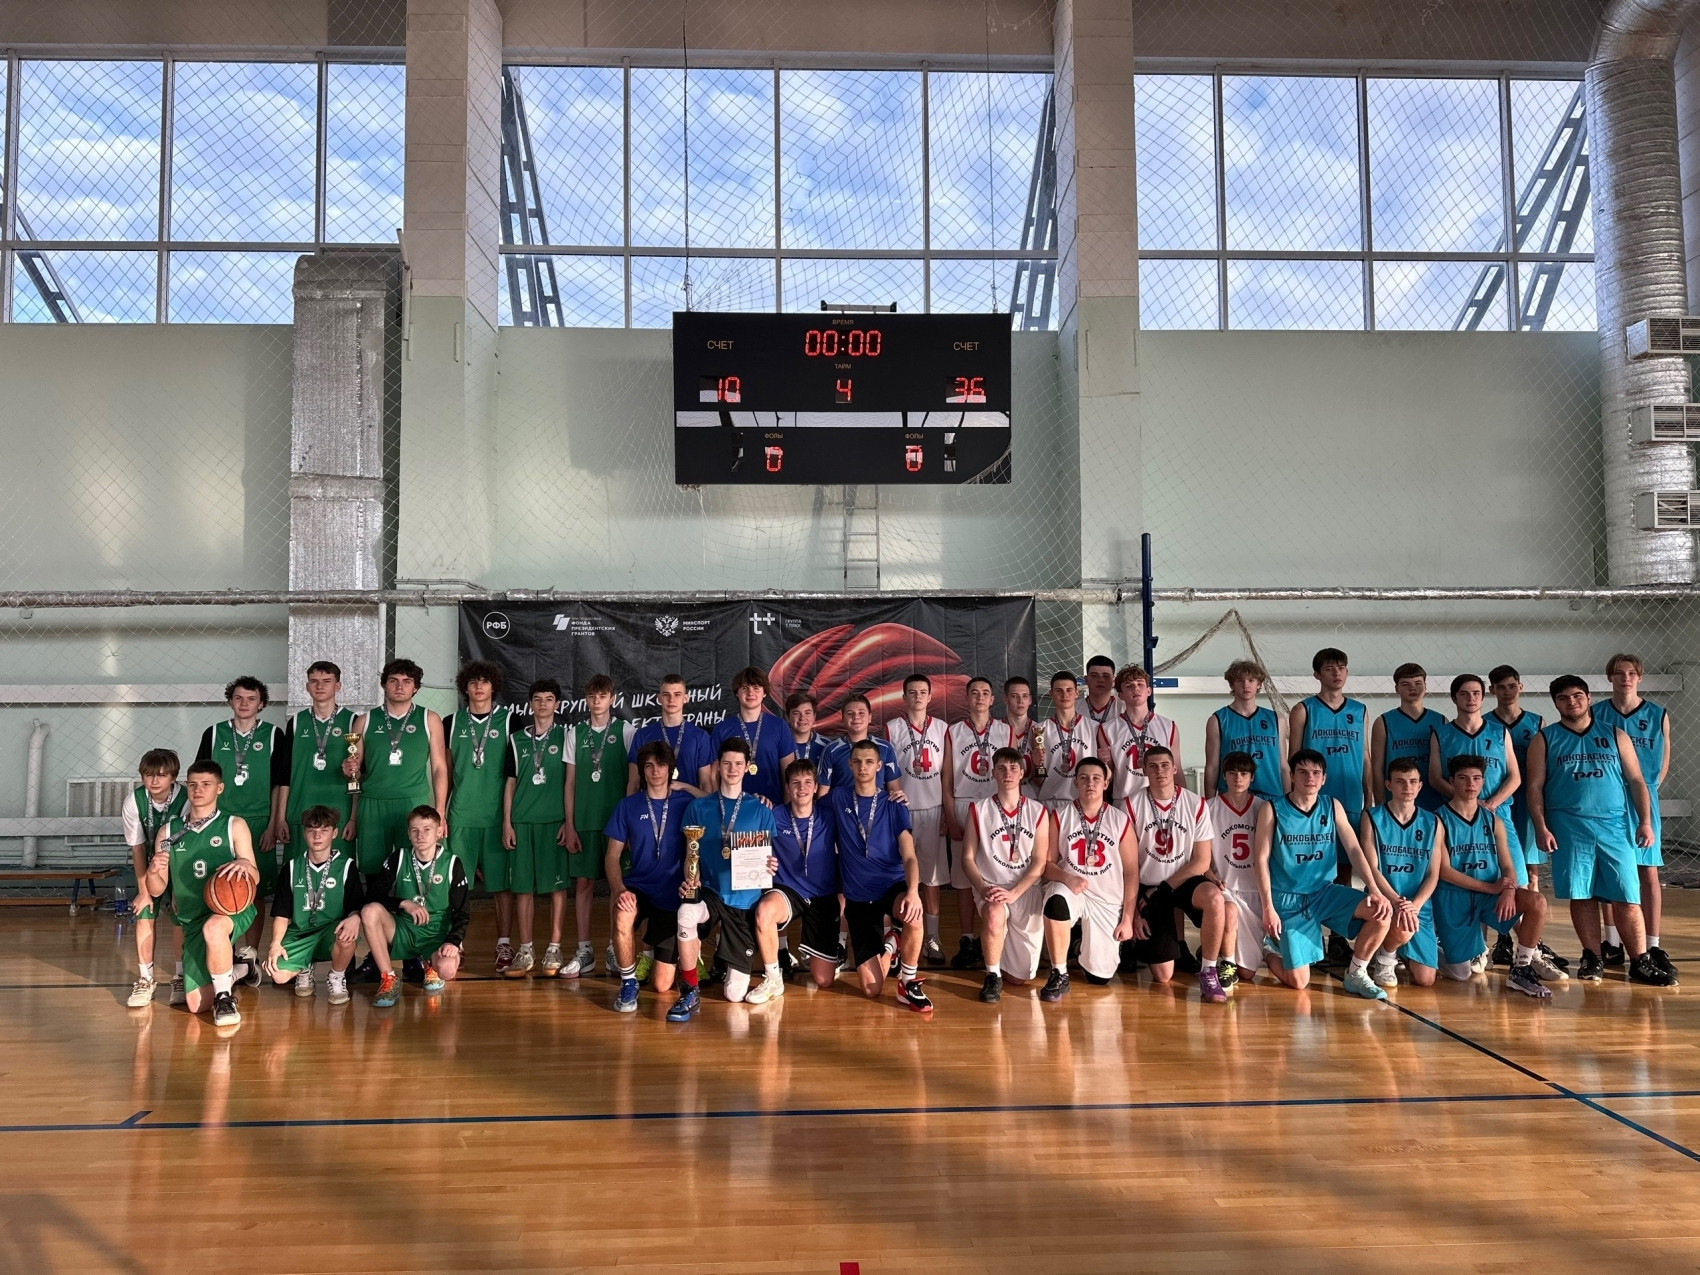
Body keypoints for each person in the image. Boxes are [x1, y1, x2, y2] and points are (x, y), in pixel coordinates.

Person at [1527, 675, 1675, 985]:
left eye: (1577, 696)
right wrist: (1541, 827)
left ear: (1588, 698)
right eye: (1563, 698)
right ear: (1555, 703)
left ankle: (1640, 960)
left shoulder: (1615, 734)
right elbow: (1535, 786)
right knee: (1581, 894)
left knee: (1627, 894)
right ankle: (1592, 957)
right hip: (1569, 826)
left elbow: (1637, 781)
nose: (1571, 702)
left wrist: (1645, 821)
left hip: (1614, 826)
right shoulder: (1545, 739)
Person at [1251, 749, 1392, 999]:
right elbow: (1260, 860)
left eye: (1316, 773)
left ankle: (1356, 973)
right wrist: (1268, 907)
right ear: (1292, 776)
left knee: (1381, 912)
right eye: (1303, 772)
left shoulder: (1332, 805)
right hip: (1288, 898)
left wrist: (1374, 889)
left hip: (1324, 892)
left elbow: (1354, 849)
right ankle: (1269, 949)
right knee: (1299, 982)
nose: (1310, 778)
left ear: (1324, 778)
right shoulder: (1272, 808)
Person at [141, 759, 262, 1028]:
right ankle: (242, 967)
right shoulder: (169, 832)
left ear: (219, 788)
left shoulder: (234, 825)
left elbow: (255, 876)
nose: (198, 790)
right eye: (193, 784)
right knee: (196, 1005)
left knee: (214, 927)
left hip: (231, 909)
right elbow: (156, 889)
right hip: (192, 918)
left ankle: (224, 999)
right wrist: (152, 872)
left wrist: (245, 865)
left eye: (206, 784)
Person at [670, 739, 780, 1021]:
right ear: (718, 766)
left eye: (738, 764)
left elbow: (766, 857)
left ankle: (726, 961)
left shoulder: (761, 810)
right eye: (727, 763)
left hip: (745, 903)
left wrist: (770, 865)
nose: (732, 769)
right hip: (712, 893)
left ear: (747, 767)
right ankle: (690, 989)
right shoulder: (699, 807)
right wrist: (690, 880)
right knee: (685, 913)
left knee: (733, 994)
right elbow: (691, 855)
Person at [1433, 755, 1560, 995]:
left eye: (1476, 778)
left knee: (1537, 902)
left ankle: (1521, 969)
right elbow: (1444, 871)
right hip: (1454, 898)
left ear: (1483, 781)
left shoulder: (1493, 820)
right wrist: (1492, 888)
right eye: (1463, 778)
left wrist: (1509, 890)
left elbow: (1508, 865)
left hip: (1487, 896)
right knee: (1461, 974)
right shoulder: (1437, 819)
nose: (1471, 784)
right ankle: (1426, 949)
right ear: (1451, 781)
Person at [825, 738, 933, 1013]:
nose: (863, 767)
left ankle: (907, 982)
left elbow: (909, 856)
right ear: (850, 765)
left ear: (879, 766)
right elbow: (802, 806)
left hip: (890, 887)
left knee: (914, 914)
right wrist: (766, 804)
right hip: (858, 898)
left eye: (869, 761)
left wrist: (913, 892)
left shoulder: (895, 803)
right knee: (871, 990)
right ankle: (892, 945)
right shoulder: (837, 798)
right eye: (857, 762)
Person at [1431, 673, 1526, 967]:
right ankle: (1478, 950)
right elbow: (1435, 777)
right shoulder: (1442, 733)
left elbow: (1515, 776)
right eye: (1464, 693)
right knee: (1473, 881)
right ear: (1454, 698)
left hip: (1498, 816)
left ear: (1484, 697)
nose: (1470, 698)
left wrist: (1491, 804)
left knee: (1516, 883)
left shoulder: (1499, 732)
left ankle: (1528, 953)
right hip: (1459, 817)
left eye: (1475, 693)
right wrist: (1468, 801)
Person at [1594, 653, 1676, 977]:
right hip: (1609, 798)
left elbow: (1663, 761)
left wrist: (1645, 793)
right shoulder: (1597, 713)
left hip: (1643, 797)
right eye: (1618, 673)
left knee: (1648, 872)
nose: (1625, 678)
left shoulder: (1657, 714)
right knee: (1610, 871)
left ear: (1639, 677)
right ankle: (1612, 942)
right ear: (1610, 677)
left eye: (1631, 673)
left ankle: (1652, 945)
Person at [1290, 648, 1373, 967]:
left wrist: (1370, 797)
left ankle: (1338, 938)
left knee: (1344, 871)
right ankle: (1311, 935)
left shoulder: (1360, 710)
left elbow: (1365, 756)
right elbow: (1293, 758)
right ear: (1317, 674)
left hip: (1349, 800)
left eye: (1341, 668)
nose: (1337, 673)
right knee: (1312, 869)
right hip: (1312, 803)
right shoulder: (1303, 710)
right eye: (1329, 668)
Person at [1127, 746, 1229, 1003]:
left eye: (1165, 765)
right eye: (1153, 766)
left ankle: (1209, 971)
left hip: (1183, 880)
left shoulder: (1195, 804)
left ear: (1174, 768)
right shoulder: (1130, 805)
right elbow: (1127, 865)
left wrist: (1161, 890)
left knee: (1215, 898)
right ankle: (1139, 944)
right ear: (1143, 770)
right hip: (1148, 883)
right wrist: (1135, 911)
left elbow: (1202, 860)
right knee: (1163, 976)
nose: (1160, 771)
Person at [196, 675, 286, 957]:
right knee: (218, 887)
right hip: (220, 822)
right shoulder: (213, 733)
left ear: (261, 704)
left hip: (258, 821)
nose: (244, 704)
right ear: (230, 701)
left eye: (251, 699)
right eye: (239, 698)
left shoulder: (274, 735)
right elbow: (201, 780)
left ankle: (251, 954)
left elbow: (279, 783)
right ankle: (224, 950)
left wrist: (273, 824)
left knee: (252, 891)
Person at [604, 741, 695, 1013]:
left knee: (661, 985)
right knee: (623, 912)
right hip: (639, 886)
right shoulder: (628, 805)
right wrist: (620, 889)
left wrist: (687, 787)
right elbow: (612, 856)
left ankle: (674, 957)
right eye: (649, 766)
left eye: (661, 765)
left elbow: (717, 800)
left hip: (673, 893)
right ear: (642, 771)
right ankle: (628, 982)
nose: (655, 771)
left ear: (670, 769)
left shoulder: (686, 803)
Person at [1037, 757, 1134, 1002]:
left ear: (1106, 784)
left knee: (1099, 978)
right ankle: (1059, 973)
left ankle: (1078, 944)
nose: (1090, 783)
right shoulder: (1060, 816)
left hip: (1106, 899)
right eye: (1084, 778)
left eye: (1096, 778)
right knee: (1056, 899)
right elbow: (1046, 866)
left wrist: (1128, 919)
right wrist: (1067, 878)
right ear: (1075, 783)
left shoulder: (1120, 819)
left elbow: (1132, 872)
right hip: (1072, 889)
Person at [443, 660, 519, 972]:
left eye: (484, 681)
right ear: (465, 686)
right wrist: (441, 814)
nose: (478, 686)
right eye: (473, 681)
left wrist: (509, 820)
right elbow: (445, 774)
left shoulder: (510, 721)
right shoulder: (450, 722)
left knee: (501, 886)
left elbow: (515, 775)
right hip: (460, 816)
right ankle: (455, 944)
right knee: (456, 885)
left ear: (493, 686)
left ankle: (504, 944)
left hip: (496, 817)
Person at [748, 757, 841, 1004]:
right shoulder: (772, 814)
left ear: (816, 787)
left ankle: (816, 952)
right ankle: (773, 977)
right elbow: (748, 843)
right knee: (764, 912)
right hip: (789, 891)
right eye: (795, 783)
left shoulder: (829, 815)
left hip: (823, 896)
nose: (802, 788)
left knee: (823, 980)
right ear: (787, 788)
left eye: (808, 782)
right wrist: (762, 861)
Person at [960, 747, 1050, 1002]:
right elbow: (967, 859)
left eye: (1013, 768)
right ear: (993, 773)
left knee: (1021, 978)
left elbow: (1039, 862)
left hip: (1024, 889)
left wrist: (1014, 893)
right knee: (994, 913)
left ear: (1022, 773)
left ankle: (995, 943)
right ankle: (992, 975)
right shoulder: (978, 809)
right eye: (1001, 768)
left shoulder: (1038, 811)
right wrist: (982, 887)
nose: (1007, 773)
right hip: (992, 887)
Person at [347, 658, 449, 879]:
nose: (400, 686)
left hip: (412, 802)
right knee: (373, 872)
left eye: (407, 681)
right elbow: (355, 773)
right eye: (393, 680)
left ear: (416, 687)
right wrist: (349, 770)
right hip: (373, 802)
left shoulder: (429, 719)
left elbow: (439, 767)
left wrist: (440, 811)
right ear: (384, 684)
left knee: (415, 868)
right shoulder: (364, 721)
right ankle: (376, 903)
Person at [361, 806, 471, 1008]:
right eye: (415, 830)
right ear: (408, 834)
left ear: (439, 832)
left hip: (436, 931)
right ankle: (389, 978)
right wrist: (403, 903)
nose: (420, 835)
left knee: (447, 969)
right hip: (404, 928)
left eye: (427, 829)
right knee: (369, 911)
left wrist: (453, 941)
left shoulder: (452, 863)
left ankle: (432, 965)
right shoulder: (399, 857)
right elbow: (373, 896)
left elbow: (462, 911)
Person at [566, 674, 637, 978]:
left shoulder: (627, 731)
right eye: (592, 696)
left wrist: (630, 825)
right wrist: (570, 824)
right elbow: (569, 783)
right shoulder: (575, 733)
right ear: (586, 699)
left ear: (612, 699)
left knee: (615, 885)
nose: (597, 702)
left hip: (615, 824)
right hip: (584, 821)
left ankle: (612, 946)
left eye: (603, 696)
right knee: (583, 884)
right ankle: (584, 949)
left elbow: (633, 781)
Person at [501, 679, 570, 978]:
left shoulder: (567, 736)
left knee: (557, 888)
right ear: (530, 704)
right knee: (522, 889)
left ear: (557, 704)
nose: (543, 704)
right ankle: (526, 950)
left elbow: (572, 783)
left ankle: (554, 948)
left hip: (554, 822)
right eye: (538, 699)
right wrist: (507, 822)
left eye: (549, 699)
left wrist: (569, 821)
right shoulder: (516, 739)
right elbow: (510, 782)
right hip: (522, 821)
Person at [262, 804, 363, 1004]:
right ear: (304, 833)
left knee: (347, 935)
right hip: (300, 932)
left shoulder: (346, 866)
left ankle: (337, 977)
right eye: (311, 830)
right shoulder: (291, 867)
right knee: (278, 975)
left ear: (334, 833)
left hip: (330, 930)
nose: (317, 836)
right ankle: (304, 968)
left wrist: (355, 918)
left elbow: (356, 905)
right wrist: (275, 944)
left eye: (324, 830)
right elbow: (282, 913)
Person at [942, 676, 1010, 970]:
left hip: (996, 808)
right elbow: (947, 779)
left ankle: (994, 937)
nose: (980, 697)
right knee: (963, 879)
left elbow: (1013, 774)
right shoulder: (953, 731)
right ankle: (967, 939)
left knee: (996, 872)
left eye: (985, 693)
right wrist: (949, 815)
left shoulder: (1005, 730)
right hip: (963, 804)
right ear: (967, 698)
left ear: (992, 699)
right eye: (974, 693)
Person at [1361, 757, 1444, 989]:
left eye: (1412, 781)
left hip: (1417, 905)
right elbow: (1372, 869)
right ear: (1388, 785)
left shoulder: (1433, 822)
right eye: (1400, 781)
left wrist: (1414, 905)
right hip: (1384, 899)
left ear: (1420, 786)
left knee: (1426, 979)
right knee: (1397, 920)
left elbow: (1433, 874)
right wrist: (1396, 901)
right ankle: (1386, 957)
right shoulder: (1372, 817)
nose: (1407, 787)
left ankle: (1399, 949)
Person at [886, 673, 950, 966]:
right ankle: (897, 938)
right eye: (912, 692)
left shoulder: (942, 728)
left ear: (930, 696)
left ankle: (932, 937)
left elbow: (947, 774)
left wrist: (947, 810)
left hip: (933, 808)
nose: (918, 696)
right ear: (904, 697)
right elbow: (887, 774)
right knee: (900, 876)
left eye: (923, 692)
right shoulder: (892, 728)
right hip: (903, 810)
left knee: (931, 878)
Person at [123, 749, 187, 1008]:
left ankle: (180, 977)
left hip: (179, 864)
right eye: (149, 774)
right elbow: (138, 848)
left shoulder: (186, 799)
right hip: (151, 863)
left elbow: (188, 844)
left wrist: (178, 890)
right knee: (144, 912)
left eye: (161, 775)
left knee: (180, 915)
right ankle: (145, 979)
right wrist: (143, 891)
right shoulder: (133, 801)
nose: (154, 780)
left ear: (173, 777)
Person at [276, 660, 358, 858]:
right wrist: (280, 818)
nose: (320, 686)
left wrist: (354, 818)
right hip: (300, 810)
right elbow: (285, 774)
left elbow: (357, 775)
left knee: (338, 869)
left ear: (337, 686)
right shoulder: (296, 722)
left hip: (339, 811)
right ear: (307, 686)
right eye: (314, 681)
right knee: (297, 870)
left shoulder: (353, 721)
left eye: (326, 681)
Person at [1206, 751, 1266, 987]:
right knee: (1228, 913)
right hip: (1225, 886)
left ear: (1252, 777)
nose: (1238, 778)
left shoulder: (1263, 808)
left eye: (1243, 773)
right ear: (1224, 776)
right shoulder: (1209, 808)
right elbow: (1199, 855)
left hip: (1254, 890)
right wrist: (1211, 876)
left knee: (1248, 973)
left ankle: (1227, 950)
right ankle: (1226, 964)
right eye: (1232, 773)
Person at [1490, 664, 1548, 895]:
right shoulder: (1485, 723)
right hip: (1498, 799)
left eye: (1512, 686)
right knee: (1501, 860)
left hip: (1528, 799)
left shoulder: (1537, 722)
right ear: (1492, 690)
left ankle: (1531, 913)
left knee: (1530, 866)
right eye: (1501, 687)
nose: (1507, 692)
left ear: (1521, 687)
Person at [1203, 660, 1286, 802]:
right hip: (1232, 797)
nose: (1246, 685)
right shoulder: (1217, 720)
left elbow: (1283, 765)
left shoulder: (1277, 719)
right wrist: (1210, 804)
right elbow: (1212, 766)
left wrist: (1288, 803)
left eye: (1251, 680)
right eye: (1240, 680)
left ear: (1258, 684)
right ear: (1232, 685)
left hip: (1271, 795)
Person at [711, 666, 793, 805]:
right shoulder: (722, 729)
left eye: (756, 688)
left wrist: (786, 810)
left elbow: (789, 773)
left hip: (772, 807)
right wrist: (717, 805)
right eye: (745, 688)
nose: (750, 693)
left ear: (764, 693)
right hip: (732, 807)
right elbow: (713, 775)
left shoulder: (779, 726)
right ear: (737, 693)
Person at [1370, 663, 1445, 812]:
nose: (1412, 688)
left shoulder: (1441, 721)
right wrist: (1380, 804)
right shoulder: (1383, 722)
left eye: (1418, 683)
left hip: (1434, 801)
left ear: (1425, 686)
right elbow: (1377, 768)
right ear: (1396, 688)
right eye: (1405, 684)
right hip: (1396, 802)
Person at [1099, 664, 1179, 801]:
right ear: (1121, 695)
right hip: (1124, 800)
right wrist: (1103, 763)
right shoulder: (1107, 729)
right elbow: (1109, 777)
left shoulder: (1168, 726)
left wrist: (1181, 800)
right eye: (1129, 686)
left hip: (1161, 800)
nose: (1135, 688)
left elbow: (1177, 770)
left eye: (1140, 684)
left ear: (1149, 691)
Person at [627, 674, 715, 794]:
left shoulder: (700, 736)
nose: (671, 699)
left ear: (686, 698)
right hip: (652, 804)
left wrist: (707, 806)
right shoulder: (642, 735)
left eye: (677, 694)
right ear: (659, 699)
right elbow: (634, 784)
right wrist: (630, 805)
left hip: (689, 803)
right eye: (666, 694)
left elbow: (705, 783)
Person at [819, 694, 904, 799]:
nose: (856, 717)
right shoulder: (831, 749)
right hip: (842, 807)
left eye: (861, 713)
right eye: (850, 713)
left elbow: (894, 790)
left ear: (870, 717)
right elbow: (823, 794)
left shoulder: (885, 748)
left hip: (876, 807)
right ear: (843, 719)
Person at [1037, 670, 1097, 813]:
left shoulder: (1094, 728)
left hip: (1084, 801)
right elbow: (1039, 780)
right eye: (1059, 691)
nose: (1064, 695)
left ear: (1077, 693)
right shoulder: (1040, 730)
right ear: (1051, 694)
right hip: (1050, 801)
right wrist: (1037, 765)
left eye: (1069, 690)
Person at [1001, 676, 1042, 799]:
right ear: (1005, 699)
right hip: (1003, 797)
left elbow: (1041, 781)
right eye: (1014, 696)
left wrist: (1038, 765)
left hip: (1033, 798)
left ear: (1030, 700)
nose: (1020, 701)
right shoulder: (996, 730)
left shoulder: (1039, 731)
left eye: (1025, 696)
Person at [785, 692, 834, 790]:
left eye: (807, 713)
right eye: (796, 713)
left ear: (814, 716)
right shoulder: (778, 744)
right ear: (787, 717)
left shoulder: (826, 746)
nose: (802, 718)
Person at [1081, 654, 1119, 732]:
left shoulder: (1124, 708)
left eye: (1106, 676)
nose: (1100, 680)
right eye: (1094, 675)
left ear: (1113, 681)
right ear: (1086, 679)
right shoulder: (1074, 708)